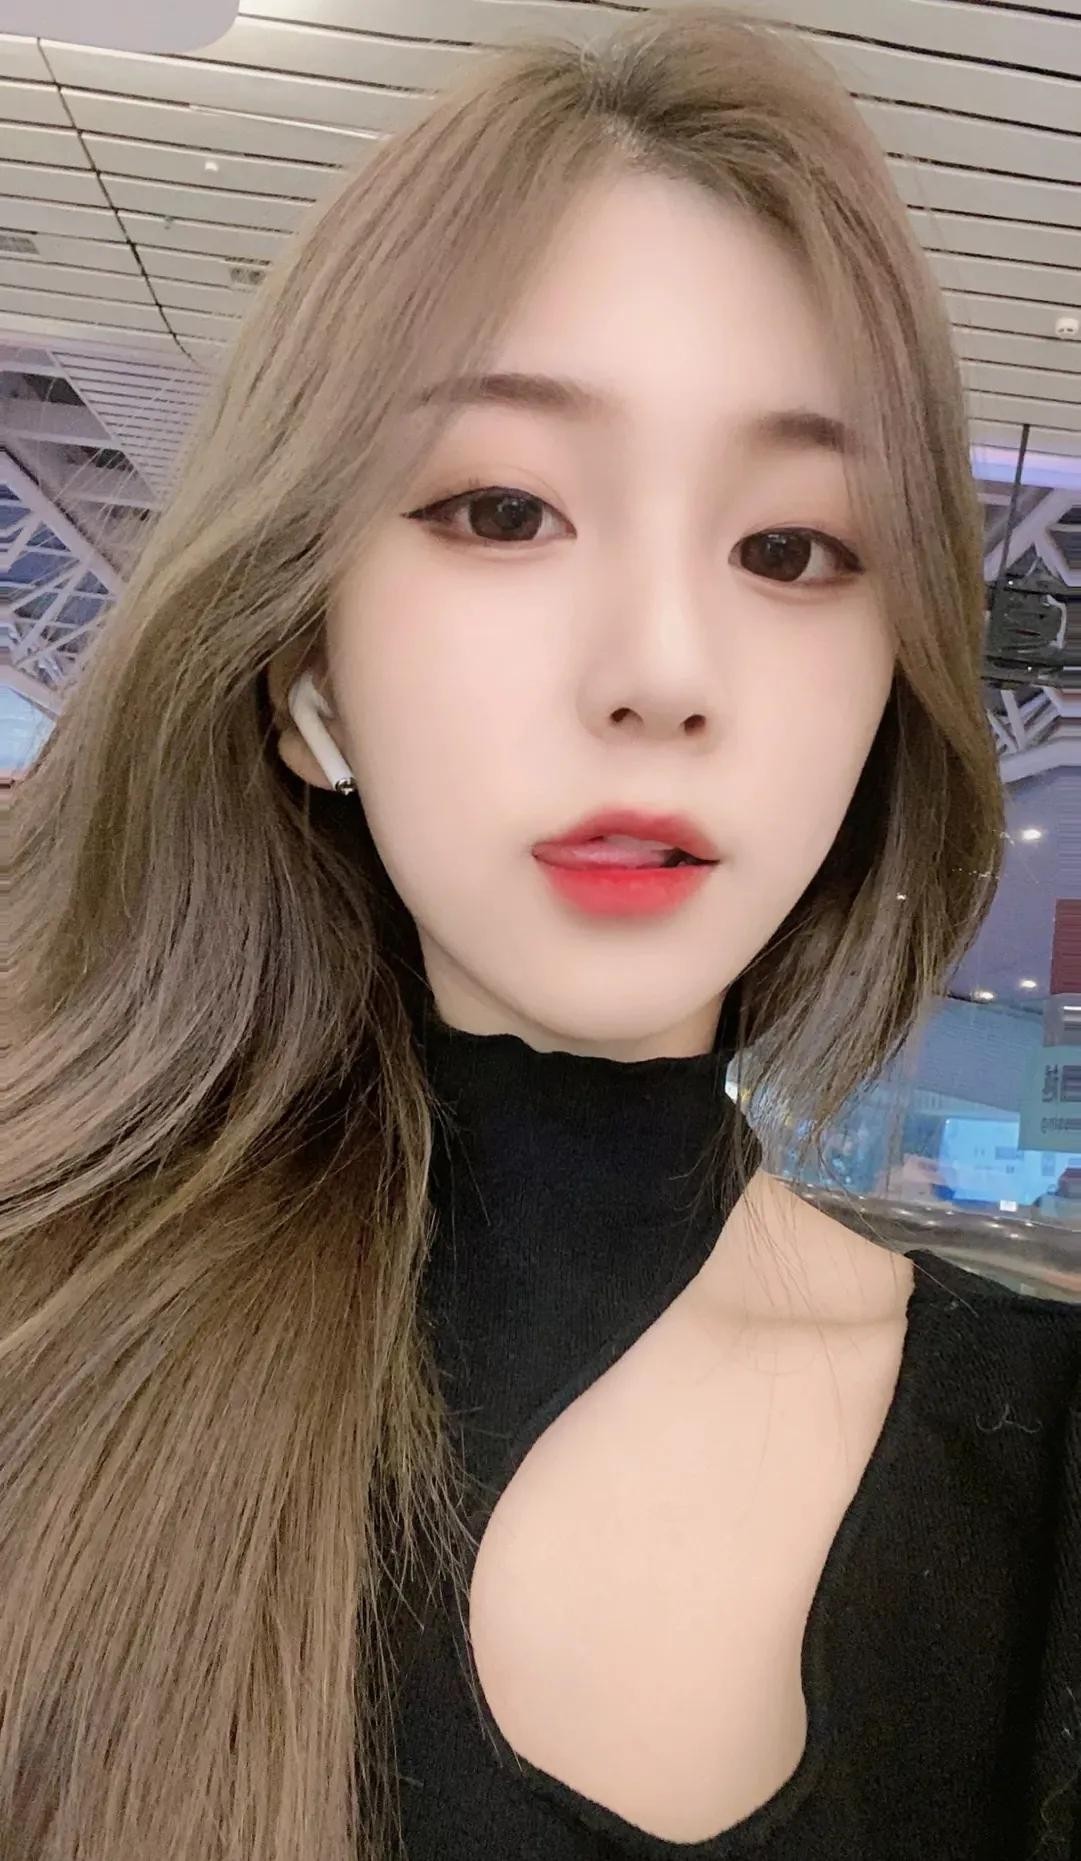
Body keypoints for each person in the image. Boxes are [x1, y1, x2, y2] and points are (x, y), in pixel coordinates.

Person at [5, 9, 1078, 1860]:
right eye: (503, 510)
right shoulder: (48, 1336)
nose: (661, 672)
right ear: (303, 672)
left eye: (791, 549)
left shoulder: (1036, 1471)